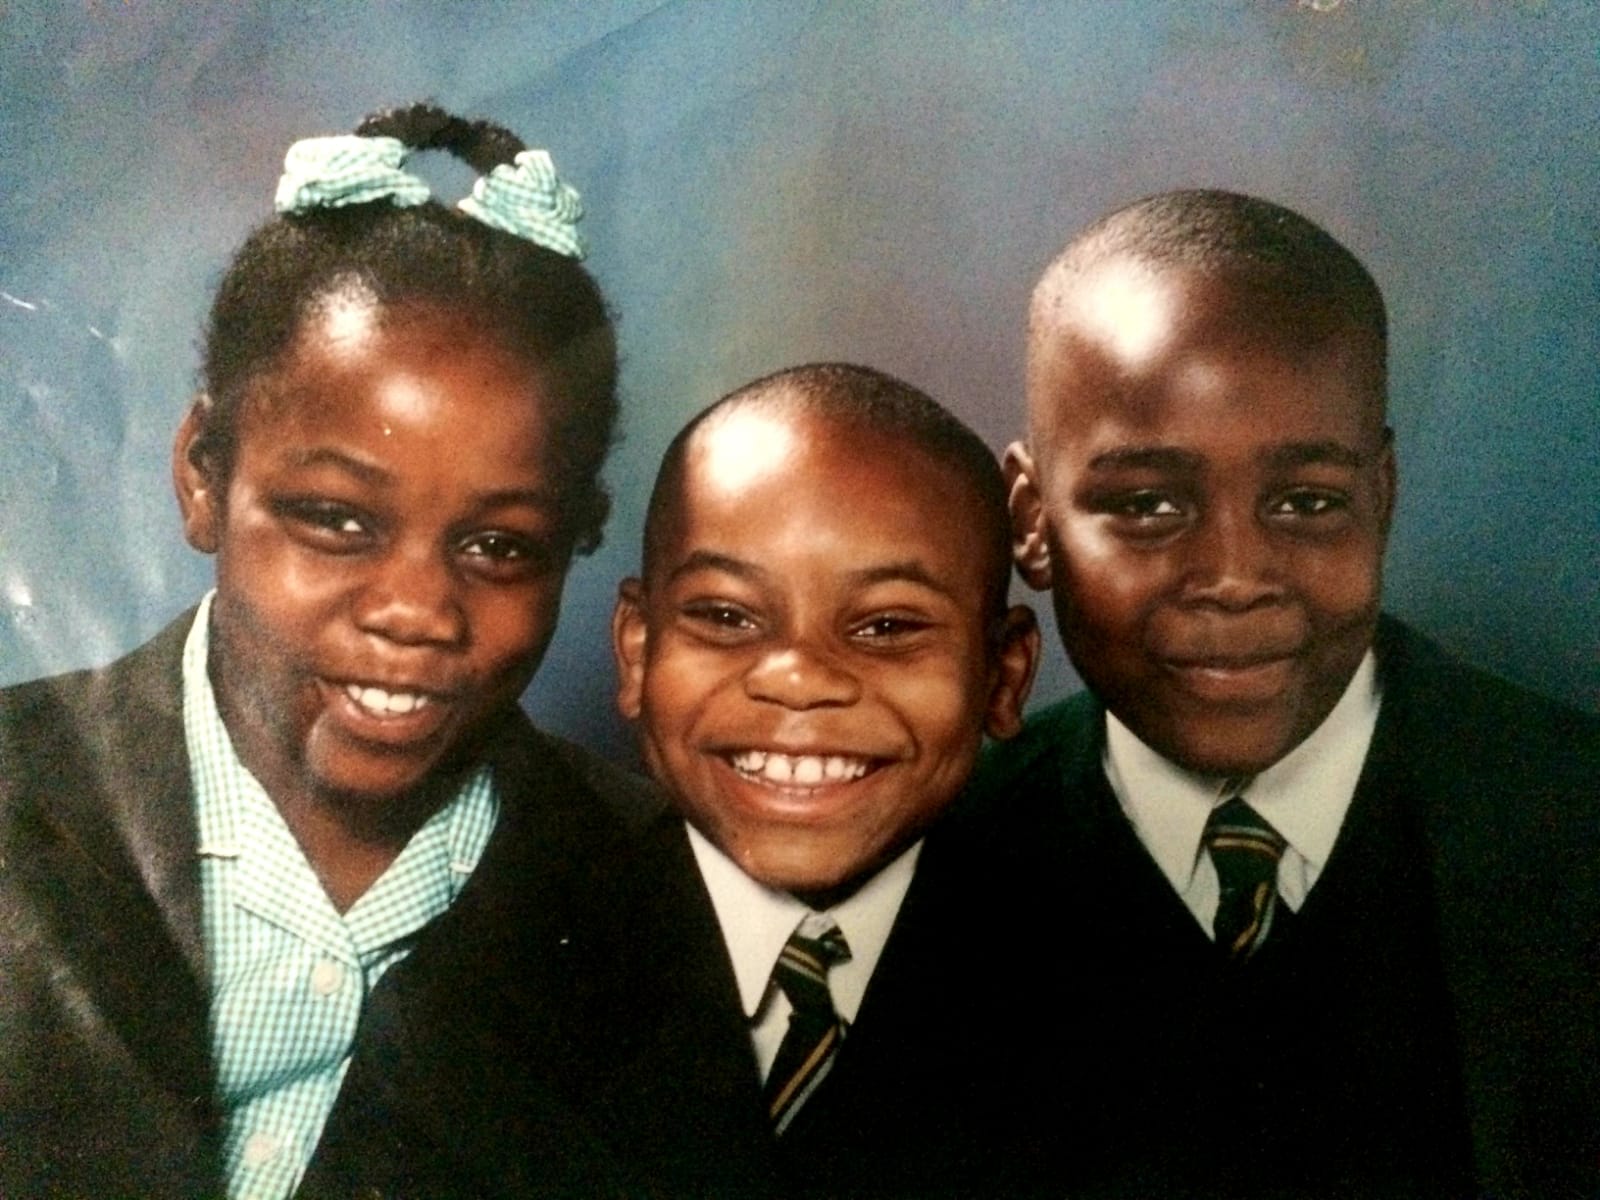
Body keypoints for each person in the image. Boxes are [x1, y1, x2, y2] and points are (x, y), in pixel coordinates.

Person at [0, 103, 656, 1199]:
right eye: (337, 519)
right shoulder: (22, 788)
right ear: (204, 473)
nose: (414, 610)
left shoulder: (651, 894)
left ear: (576, 539)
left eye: (499, 546)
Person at [985, 187, 1600, 1198]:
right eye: (1145, 504)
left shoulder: (1567, 827)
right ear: (1033, 519)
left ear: (1382, 499)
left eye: (1307, 502)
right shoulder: (936, 869)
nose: (1233, 574)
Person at [599, 362, 1043, 1198]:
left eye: (886, 626)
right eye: (727, 616)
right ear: (636, 650)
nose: (800, 679)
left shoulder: (1113, 993)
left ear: (1004, 675)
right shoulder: (502, 961)